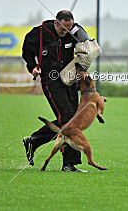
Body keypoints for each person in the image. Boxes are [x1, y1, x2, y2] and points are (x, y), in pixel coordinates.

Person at [22, 10, 89, 172]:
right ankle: (65, 161)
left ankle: (66, 161)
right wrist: (32, 67)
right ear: (56, 23)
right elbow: (26, 51)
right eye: (63, 29)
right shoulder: (39, 33)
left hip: (69, 79)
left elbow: (86, 49)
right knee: (67, 118)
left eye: (69, 28)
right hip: (51, 81)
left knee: (74, 120)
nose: (66, 32)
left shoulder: (75, 32)